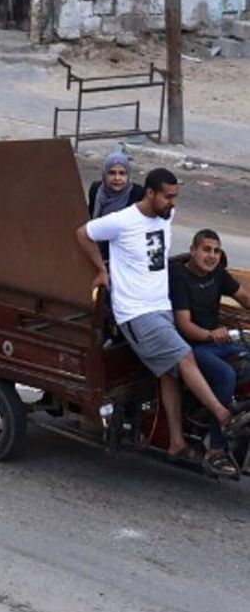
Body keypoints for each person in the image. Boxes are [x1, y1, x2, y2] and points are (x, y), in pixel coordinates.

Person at [77, 168, 248, 464]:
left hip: (160, 307)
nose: (172, 203)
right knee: (184, 357)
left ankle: (176, 442)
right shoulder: (123, 220)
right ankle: (223, 416)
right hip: (136, 312)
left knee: (168, 373)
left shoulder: (165, 216)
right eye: (167, 197)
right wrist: (102, 271)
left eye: (175, 197)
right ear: (150, 194)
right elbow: (83, 233)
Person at [169, 228, 250, 474]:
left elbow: (244, 297)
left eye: (216, 251)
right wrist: (210, 334)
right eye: (206, 249)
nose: (211, 256)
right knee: (226, 375)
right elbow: (184, 324)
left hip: (218, 343)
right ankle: (217, 449)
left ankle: (238, 413)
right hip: (193, 346)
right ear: (193, 251)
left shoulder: (217, 274)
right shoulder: (180, 276)